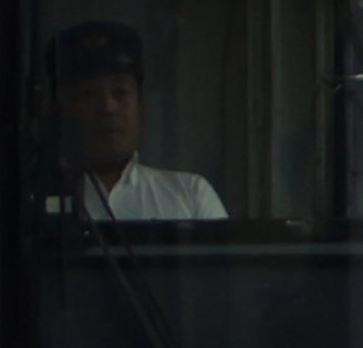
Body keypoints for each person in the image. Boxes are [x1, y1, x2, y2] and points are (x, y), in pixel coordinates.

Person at [41, 20, 225, 222]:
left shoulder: (191, 197)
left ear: (142, 108)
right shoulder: (34, 204)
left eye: (120, 92)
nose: (108, 107)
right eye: (88, 94)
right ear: (60, 111)